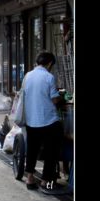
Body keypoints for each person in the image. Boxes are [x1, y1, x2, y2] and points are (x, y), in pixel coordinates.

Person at [23, 52, 63, 193]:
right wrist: (60, 97)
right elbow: (54, 99)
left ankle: (29, 178)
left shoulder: (28, 75)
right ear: (50, 63)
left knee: (32, 149)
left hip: (31, 120)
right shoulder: (49, 77)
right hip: (48, 121)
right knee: (51, 151)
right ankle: (46, 181)